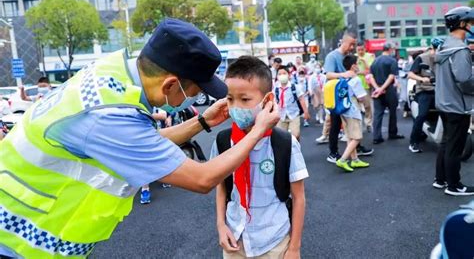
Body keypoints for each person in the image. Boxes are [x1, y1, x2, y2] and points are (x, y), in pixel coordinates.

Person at [0, 18, 281, 258]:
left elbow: (146, 144)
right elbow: (203, 178)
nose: (196, 97)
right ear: (171, 84)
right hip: (17, 243)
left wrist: (202, 121)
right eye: (195, 91)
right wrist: (258, 131)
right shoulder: (109, 117)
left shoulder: (111, 77)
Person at [212, 56, 308, 259]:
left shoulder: (284, 144)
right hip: (235, 239)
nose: (236, 106)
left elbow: (298, 197)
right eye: (230, 99)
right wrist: (221, 225)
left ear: (267, 100)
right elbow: (221, 187)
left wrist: (294, 248)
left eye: (245, 99)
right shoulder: (223, 141)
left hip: (274, 241)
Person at [434, 6, 474, 196]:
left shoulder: (444, 46)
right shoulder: (460, 50)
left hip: (444, 101)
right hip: (457, 105)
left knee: (446, 142)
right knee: (455, 146)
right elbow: (465, 80)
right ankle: (454, 185)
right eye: (471, 23)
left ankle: (440, 180)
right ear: (462, 24)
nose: (473, 26)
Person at [324, 31, 373, 163]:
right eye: (351, 44)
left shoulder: (350, 57)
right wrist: (344, 74)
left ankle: (356, 150)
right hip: (336, 97)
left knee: (351, 125)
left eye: (354, 45)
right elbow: (328, 75)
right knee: (335, 124)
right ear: (344, 42)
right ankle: (333, 153)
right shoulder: (332, 56)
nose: (352, 47)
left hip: (348, 97)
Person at [407, 38, 443, 153]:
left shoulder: (443, 58)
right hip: (424, 91)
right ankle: (413, 142)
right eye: (438, 50)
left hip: (440, 91)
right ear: (432, 48)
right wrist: (422, 79)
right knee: (422, 115)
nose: (440, 52)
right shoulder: (421, 58)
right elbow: (410, 74)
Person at [335, 55, 371, 172]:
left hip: (343, 110)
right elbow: (361, 97)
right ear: (353, 66)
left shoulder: (343, 78)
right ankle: (343, 160)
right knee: (357, 137)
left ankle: (355, 160)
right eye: (357, 64)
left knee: (350, 136)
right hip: (353, 111)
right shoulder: (355, 80)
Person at [370, 42, 405, 144]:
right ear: (390, 49)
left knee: (377, 113)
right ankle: (392, 133)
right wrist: (383, 88)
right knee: (393, 112)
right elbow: (391, 76)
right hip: (389, 89)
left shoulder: (375, 61)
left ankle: (376, 137)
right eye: (393, 49)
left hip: (377, 89)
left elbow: (371, 76)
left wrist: (377, 88)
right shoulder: (392, 61)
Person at [274, 66, 310, 141]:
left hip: (294, 114)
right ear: (277, 76)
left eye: (284, 73)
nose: (282, 76)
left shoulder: (294, 87)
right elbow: (274, 101)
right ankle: (287, 151)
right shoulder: (275, 89)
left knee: (295, 135)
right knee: (281, 137)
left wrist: (306, 112)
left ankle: (296, 146)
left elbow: (301, 99)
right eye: (279, 74)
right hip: (281, 115)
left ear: (289, 75)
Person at [356, 42, 375, 132]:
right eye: (358, 50)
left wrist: (363, 61)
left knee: (367, 105)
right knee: (356, 105)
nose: (360, 52)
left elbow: (370, 70)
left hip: (366, 84)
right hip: (355, 84)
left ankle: (368, 123)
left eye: (362, 50)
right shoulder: (354, 57)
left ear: (365, 49)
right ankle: (357, 124)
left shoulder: (370, 56)